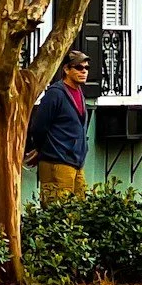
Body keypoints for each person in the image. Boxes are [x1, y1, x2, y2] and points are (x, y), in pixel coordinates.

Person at [25, 49, 93, 201]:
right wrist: (42, 149)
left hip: (76, 162)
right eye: (79, 68)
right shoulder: (56, 93)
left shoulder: (79, 92)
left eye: (86, 68)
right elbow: (38, 126)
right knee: (58, 211)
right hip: (57, 161)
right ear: (67, 69)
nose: (84, 71)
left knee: (80, 210)